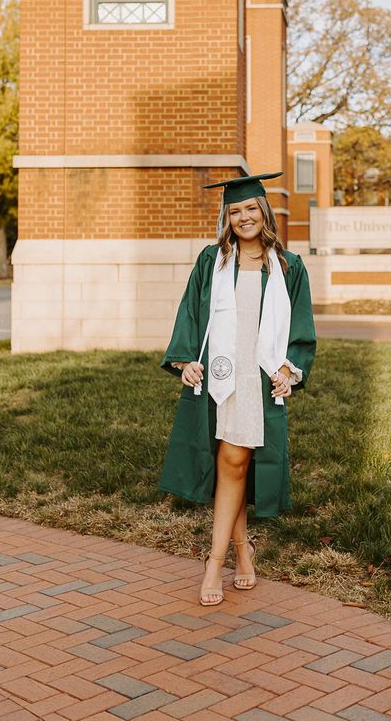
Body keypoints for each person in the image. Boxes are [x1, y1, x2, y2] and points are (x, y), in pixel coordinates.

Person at [159, 172, 316, 606]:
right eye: (235, 211)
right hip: (222, 373)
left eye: (250, 209)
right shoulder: (213, 261)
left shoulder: (288, 267)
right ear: (227, 219)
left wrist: (291, 368)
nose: (244, 217)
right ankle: (227, 556)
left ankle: (229, 556)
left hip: (260, 377)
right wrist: (186, 358)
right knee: (232, 459)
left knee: (238, 462)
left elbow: (301, 329)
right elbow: (191, 312)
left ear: (263, 212)